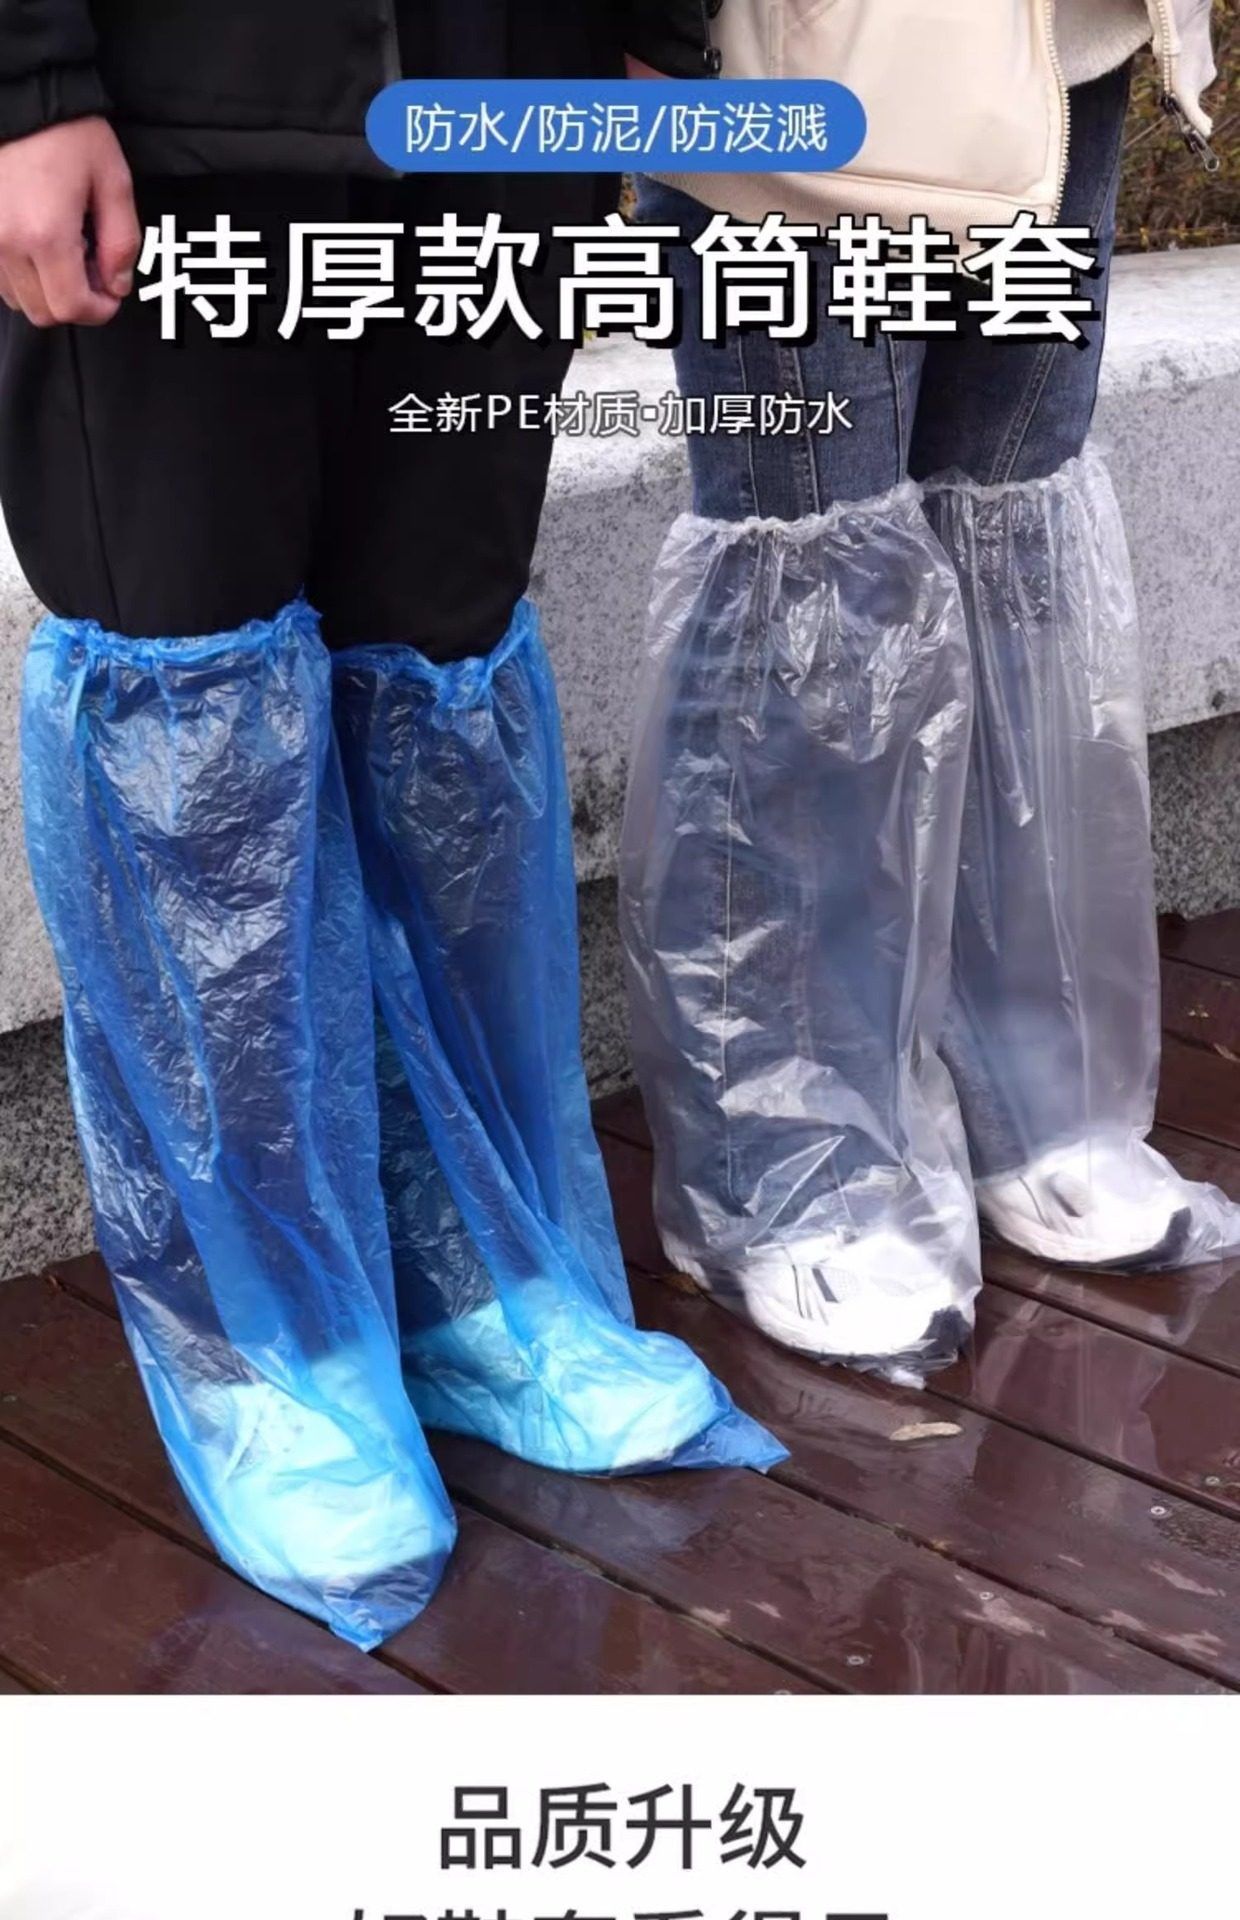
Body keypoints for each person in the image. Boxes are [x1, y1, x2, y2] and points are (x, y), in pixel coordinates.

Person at [0, 0, 783, 1651]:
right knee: (191, 716)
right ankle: (276, 1354)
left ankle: (481, 1283)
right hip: (178, 112)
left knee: (443, 679)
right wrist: (25, 82)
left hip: (506, 89)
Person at [620, 0, 1240, 1387]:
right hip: (795, 55)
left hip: (1063, 37)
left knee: (1008, 508)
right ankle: (782, 1161)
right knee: (807, 547)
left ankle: (1020, 1081)